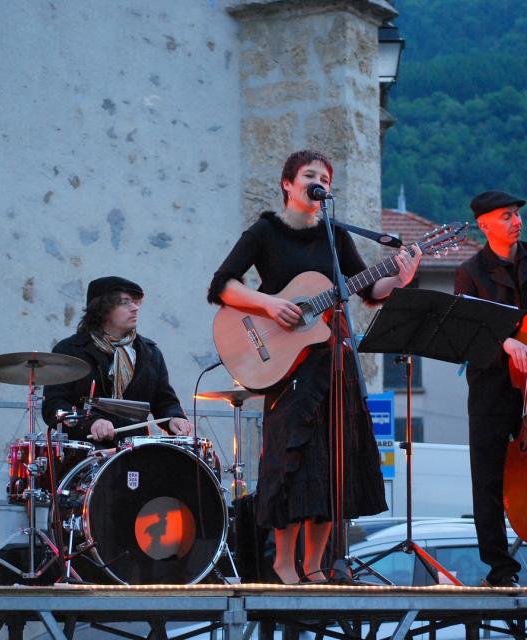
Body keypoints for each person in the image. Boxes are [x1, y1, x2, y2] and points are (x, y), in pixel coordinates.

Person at [207, 149, 421, 584]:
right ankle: (284, 562)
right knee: (291, 461)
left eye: (324, 176)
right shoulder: (265, 232)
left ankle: (316, 564)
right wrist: (269, 303)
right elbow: (222, 285)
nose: (318, 181)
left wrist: (400, 277)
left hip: (333, 364)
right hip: (287, 370)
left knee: (333, 465)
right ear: (288, 183)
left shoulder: (334, 236)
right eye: (310, 174)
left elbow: (368, 288)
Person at [454, 190, 527, 588]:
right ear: (485, 225)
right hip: (492, 387)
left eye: (516, 215)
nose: (516, 221)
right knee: (487, 480)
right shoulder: (470, 272)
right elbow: (468, 327)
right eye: (506, 216)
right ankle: (501, 569)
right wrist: (507, 339)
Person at [42, 276, 192, 445]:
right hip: (85, 454)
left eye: (135, 302)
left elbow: (164, 400)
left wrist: (174, 418)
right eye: (125, 302)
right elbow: (53, 405)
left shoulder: (150, 353)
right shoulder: (69, 351)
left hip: (137, 454)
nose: (135, 308)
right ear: (103, 308)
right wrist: (91, 423)